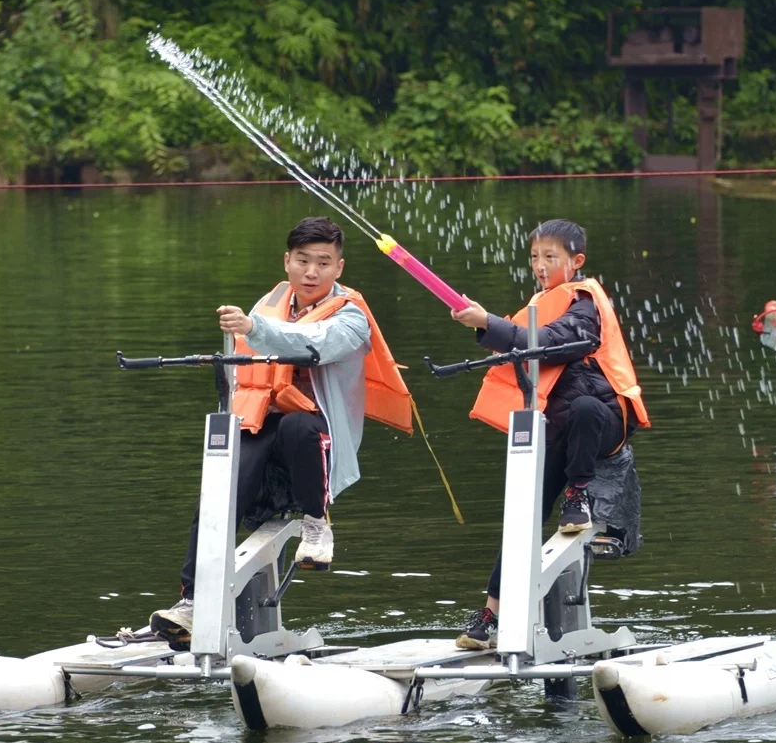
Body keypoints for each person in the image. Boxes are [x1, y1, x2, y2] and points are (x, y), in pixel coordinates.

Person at [150, 216, 413, 647]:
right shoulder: (267, 304)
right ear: (286, 261)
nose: (312, 272)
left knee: (297, 425)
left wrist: (254, 329)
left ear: (339, 268)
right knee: (219, 487)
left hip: (315, 440)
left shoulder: (352, 317)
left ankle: (317, 524)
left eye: (323, 263)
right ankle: (193, 602)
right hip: (264, 428)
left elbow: (313, 344)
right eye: (303, 261)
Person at [449, 219, 650, 650]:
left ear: (576, 262)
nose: (540, 266)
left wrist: (489, 322)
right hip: (556, 428)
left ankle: (577, 495)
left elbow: (554, 342)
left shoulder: (585, 303)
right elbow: (523, 340)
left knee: (584, 407)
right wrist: (482, 324)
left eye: (550, 257)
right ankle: (492, 614)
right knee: (522, 516)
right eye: (534, 257)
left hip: (604, 422)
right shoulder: (538, 304)